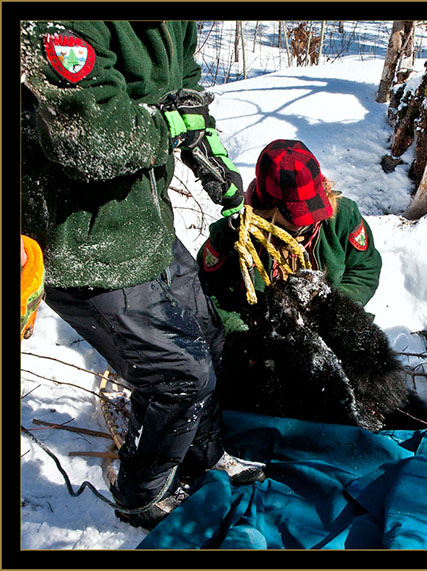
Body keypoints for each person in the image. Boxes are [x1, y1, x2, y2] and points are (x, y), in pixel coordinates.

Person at [21, 20, 265, 531]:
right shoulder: (59, 22)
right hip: (85, 241)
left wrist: (201, 134)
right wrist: (169, 126)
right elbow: (86, 137)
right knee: (179, 375)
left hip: (144, 219)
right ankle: (140, 493)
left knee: (209, 334)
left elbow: (187, 77)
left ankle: (203, 454)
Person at [197, 139, 383, 321]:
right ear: (268, 207)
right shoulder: (233, 235)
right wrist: (243, 336)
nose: (309, 220)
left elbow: (364, 269)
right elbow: (208, 293)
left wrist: (334, 308)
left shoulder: (343, 217)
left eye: (314, 207)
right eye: (297, 215)